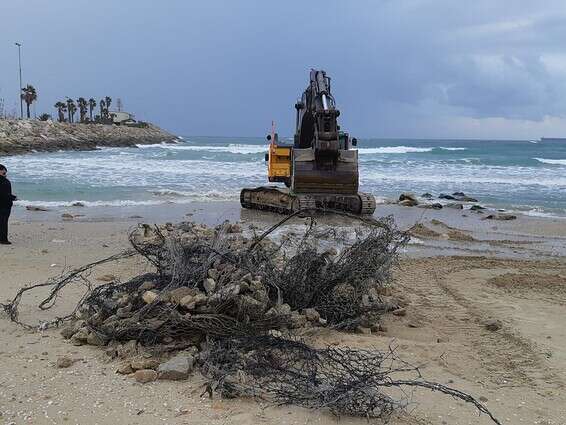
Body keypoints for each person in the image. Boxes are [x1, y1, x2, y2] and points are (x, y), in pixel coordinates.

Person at [0, 164, 17, 245]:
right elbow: (5, 194)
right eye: (4, 170)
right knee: (3, 222)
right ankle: (3, 239)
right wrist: (14, 197)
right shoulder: (5, 181)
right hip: (4, 205)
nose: (5, 172)